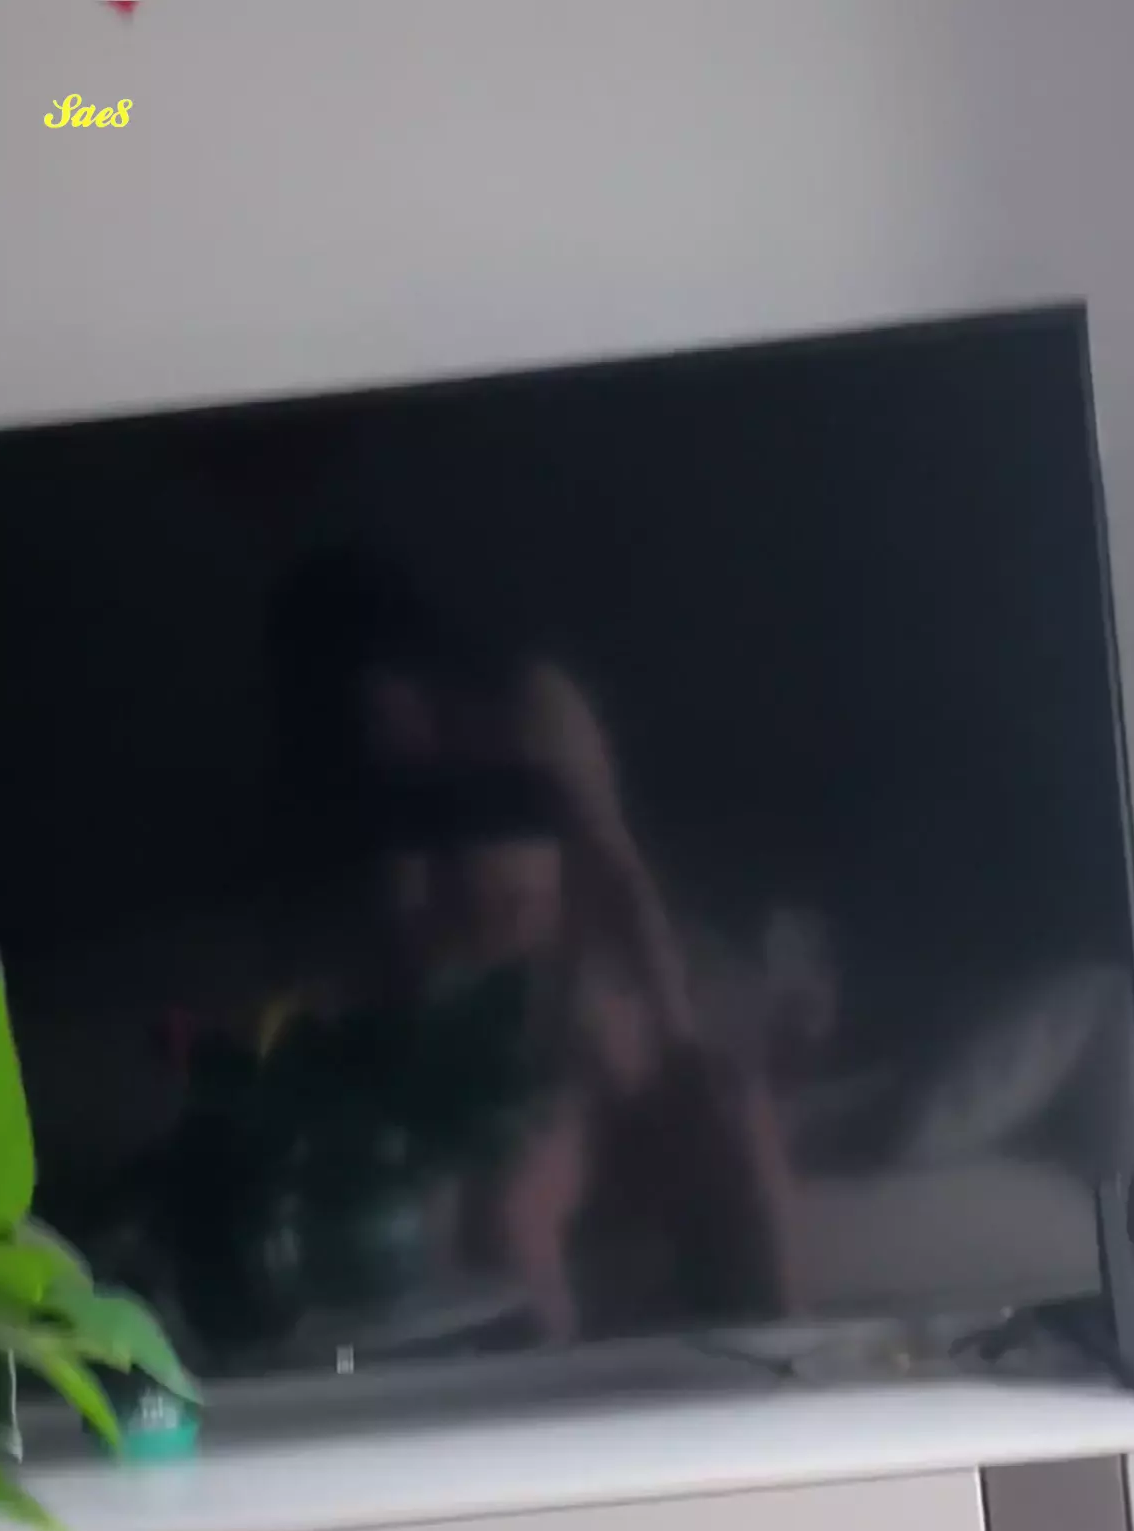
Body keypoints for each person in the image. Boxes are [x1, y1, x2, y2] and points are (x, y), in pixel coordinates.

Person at [263, 547, 800, 1343]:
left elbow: (620, 879)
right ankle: (564, 1396)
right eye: (348, 723)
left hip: (615, 1014)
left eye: (375, 709)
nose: (374, 737)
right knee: (509, 1220)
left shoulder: (531, 707)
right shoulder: (377, 798)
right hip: (517, 1064)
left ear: (407, 664)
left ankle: (789, 1367)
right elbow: (392, 971)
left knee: (734, 1121)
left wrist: (679, 1041)